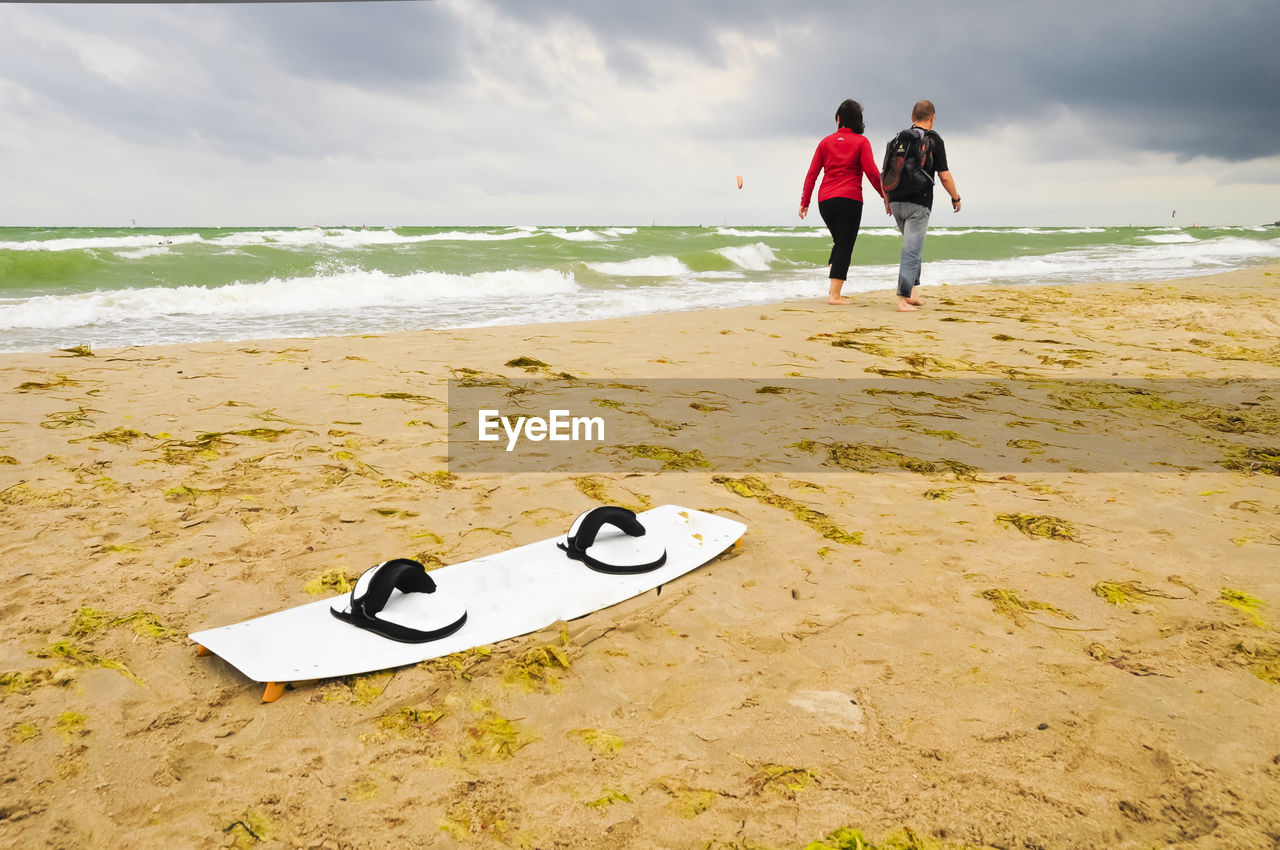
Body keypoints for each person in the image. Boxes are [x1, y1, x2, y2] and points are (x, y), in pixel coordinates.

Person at [800, 99, 889, 305]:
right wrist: (884, 196)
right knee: (845, 245)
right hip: (850, 199)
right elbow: (872, 173)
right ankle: (835, 295)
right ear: (858, 121)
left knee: (840, 242)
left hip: (826, 202)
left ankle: (834, 271)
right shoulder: (861, 142)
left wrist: (805, 201)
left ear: (838, 119)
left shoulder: (825, 142)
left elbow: (812, 174)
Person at [885, 100, 961, 312]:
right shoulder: (934, 140)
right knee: (911, 251)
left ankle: (913, 295)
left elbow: (885, 172)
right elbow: (944, 175)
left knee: (913, 248)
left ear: (912, 117)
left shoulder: (897, 140)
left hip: (896, 201)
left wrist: (887, 200)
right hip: (919, 202)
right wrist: (955, 197)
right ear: (932, 118)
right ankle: (902, 299)